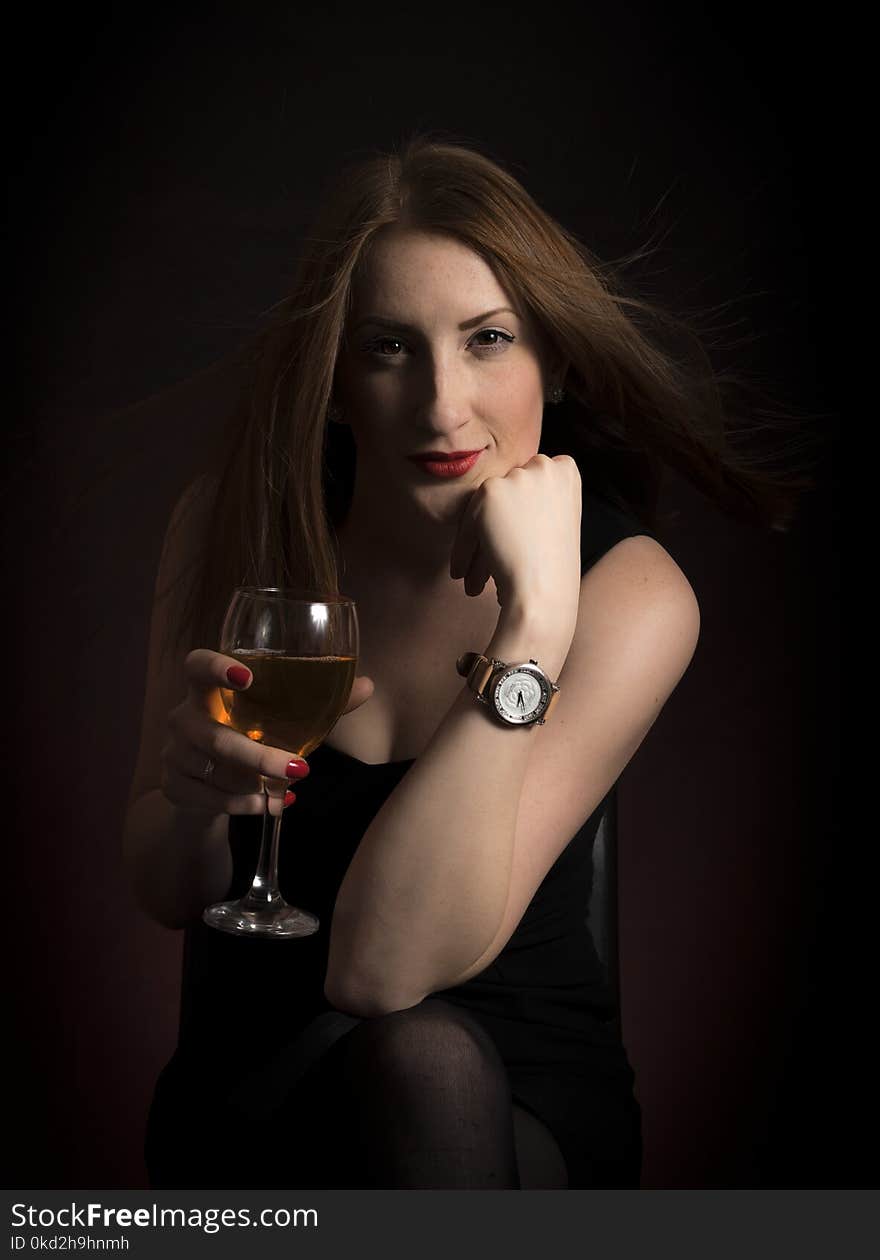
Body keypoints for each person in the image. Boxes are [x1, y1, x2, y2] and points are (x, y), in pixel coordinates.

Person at [122, 133, 818, 1190]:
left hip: (511, 1107)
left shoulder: (630, 593)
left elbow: (379, 974)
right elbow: (168, 888)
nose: (443, 406)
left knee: (425, 1060)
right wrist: (190, 799)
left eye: (488, 340)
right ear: (337, 378)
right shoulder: (230, 528)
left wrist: (533, 624)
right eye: (389, 347)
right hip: (254, 1089)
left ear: (555, 355)